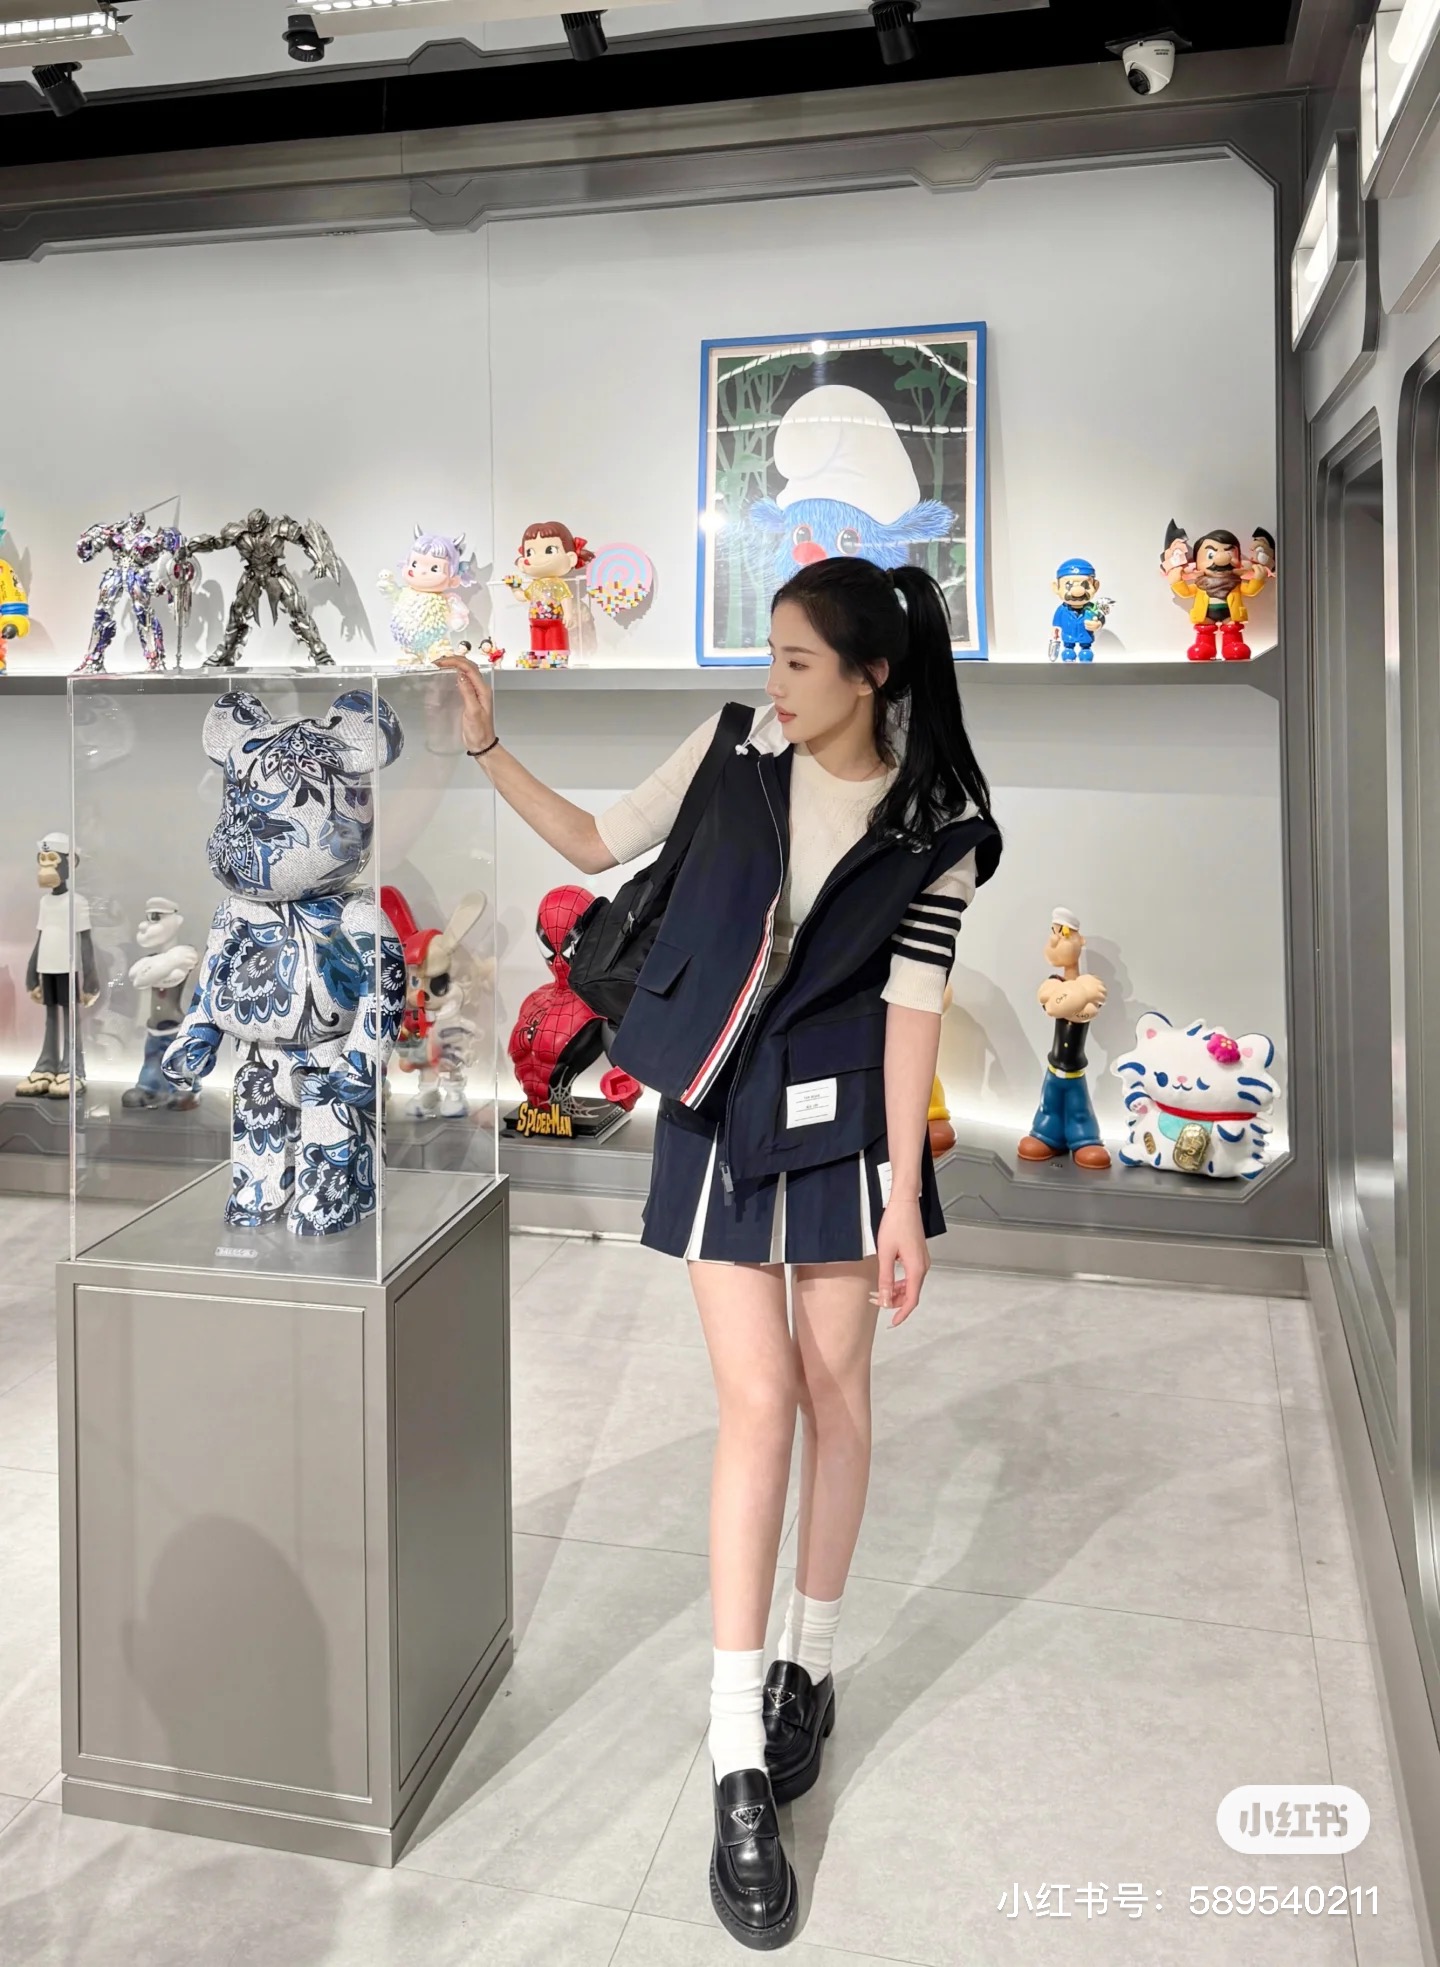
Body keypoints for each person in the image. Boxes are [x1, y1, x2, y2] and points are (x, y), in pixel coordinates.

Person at [439, 555, 1001, 1951]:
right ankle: (736, 1743)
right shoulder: (732, 746)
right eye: (772, 656)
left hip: (843, 1127)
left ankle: (814, 1666)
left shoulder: (936, 824)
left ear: (872, 675)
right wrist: (490, 748)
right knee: (759, 1405)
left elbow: (912, 1014)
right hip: (714, 1104)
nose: (775, 684)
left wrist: (901, 1199)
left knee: (838, 1397)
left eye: (800, 663)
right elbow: (593, 844)